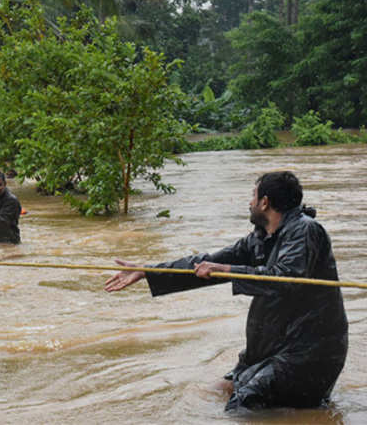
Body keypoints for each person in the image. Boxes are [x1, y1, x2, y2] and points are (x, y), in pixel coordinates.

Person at [104, 171, 348, 412]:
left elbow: (286, 278)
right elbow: (208, 264)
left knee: (243, 405)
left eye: (253, 196)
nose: (249, 202)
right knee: (216, 391)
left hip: (307, 353)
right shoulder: (261, 238)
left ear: (265, 202)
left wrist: (227, 269)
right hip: (270, 349)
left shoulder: (305, 231)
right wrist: (149, 271)